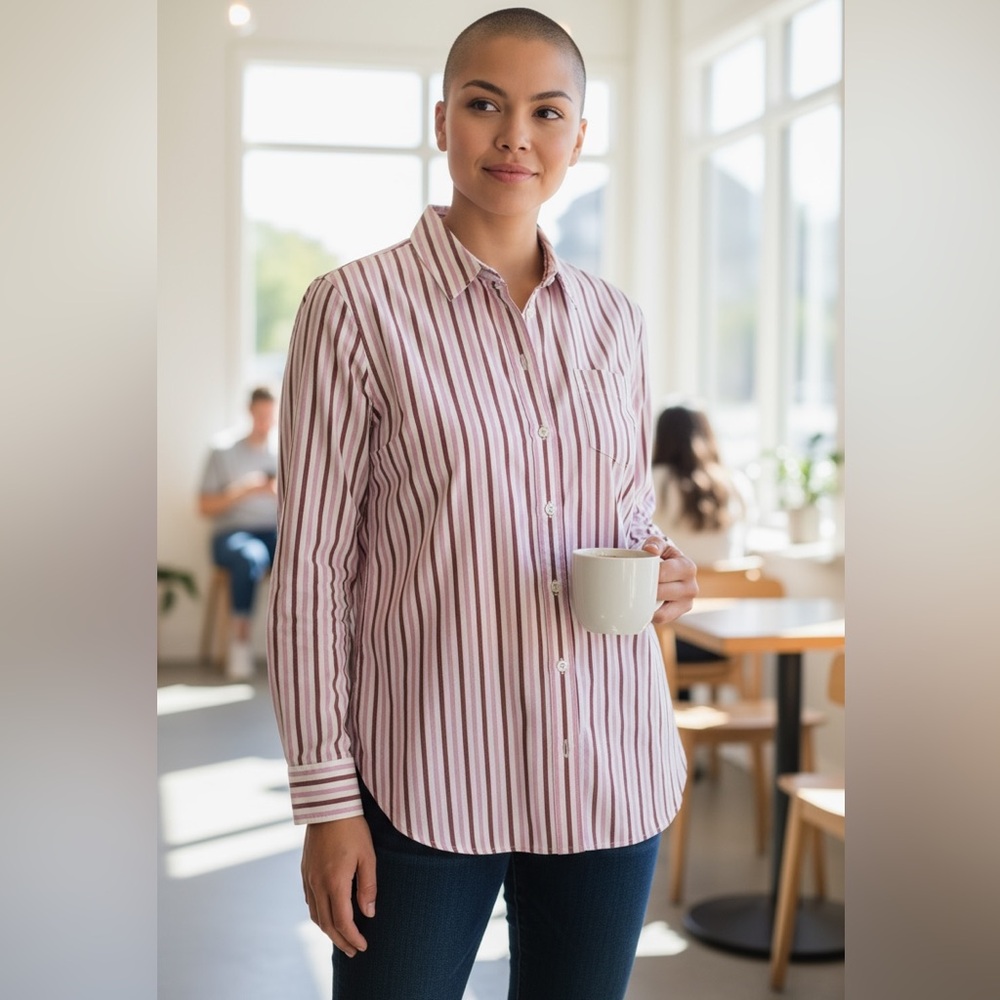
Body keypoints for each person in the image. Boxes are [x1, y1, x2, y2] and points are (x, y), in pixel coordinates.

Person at [266, 10, 697, 999]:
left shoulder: (613, 323)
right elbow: (313, 569)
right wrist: (327, 801)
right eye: (484, 105)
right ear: (442, 121)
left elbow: (618, 519)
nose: (515, 136)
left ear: (577, 137)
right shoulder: (354, 309)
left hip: (605, 768)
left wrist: (665, 569)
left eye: (547, 111)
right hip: (422, 782)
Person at [198, 385, 278, 680]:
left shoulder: (286, 451)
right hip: (233, 535)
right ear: (249, 412)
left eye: (270, 416)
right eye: (260, 415)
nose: (265, 422)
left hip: (274, 531)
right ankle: (240, 642)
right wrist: (247, 489)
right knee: (249, 556)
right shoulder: (223, 452)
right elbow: (205, 506)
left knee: (305, 553)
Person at [650, 402, 751, 566]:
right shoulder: (734, 481)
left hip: (675, 586)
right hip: (729, 587)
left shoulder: (653, 480)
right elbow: (744, 539)